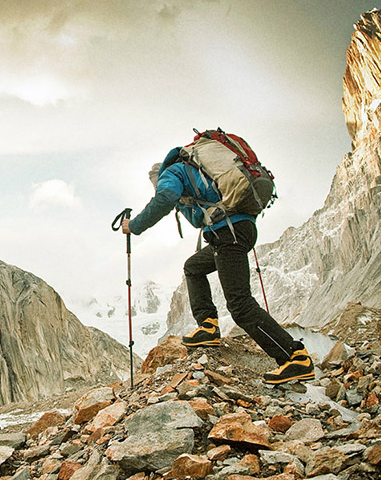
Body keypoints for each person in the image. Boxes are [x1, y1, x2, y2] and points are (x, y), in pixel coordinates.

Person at [121, 146, 314, 385]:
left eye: (157, 186)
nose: (158, 189)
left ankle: (294, 356)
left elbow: (164, 198)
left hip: (229, 234)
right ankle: (209, 325)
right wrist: (183, 203)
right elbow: (196, 220)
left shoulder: (173, 174)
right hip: (236, 230)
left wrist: (135, 226)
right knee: (194, 267)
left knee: (239, 304)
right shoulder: (197, 175)